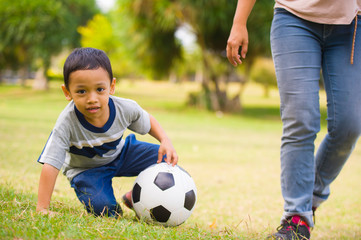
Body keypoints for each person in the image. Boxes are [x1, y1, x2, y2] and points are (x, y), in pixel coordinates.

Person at [227, 0, 361, 239]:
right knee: (300, 119)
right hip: (295, 19)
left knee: (350, 125)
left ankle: (310, 197)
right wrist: (239, 22)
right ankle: (296, 217)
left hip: (352, 26)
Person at [36, 47, 178, 217]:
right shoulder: (66, 123)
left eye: (100, 89)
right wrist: (42, 208)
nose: (92, 99)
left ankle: (136, 197)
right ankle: (108, 203)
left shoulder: (124, 108)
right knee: (105, 211)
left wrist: (165, 140)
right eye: (81, 91)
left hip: (121, 154)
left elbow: (147, 121)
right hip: (86, 171)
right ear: (67, 92)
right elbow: (50, 165)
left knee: (167, 160)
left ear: (111, 87)